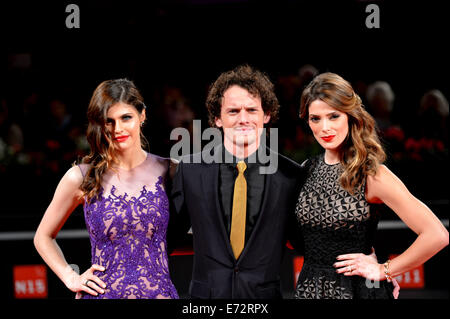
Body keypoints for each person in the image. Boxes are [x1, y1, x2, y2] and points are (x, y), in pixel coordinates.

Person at [293, 72, 449, 299]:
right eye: (315, 118)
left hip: (356, 291)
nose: (324, 127)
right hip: (309, 288)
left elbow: (437, 234)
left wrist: (384, 270)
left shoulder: (371, 174)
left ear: (350, 116)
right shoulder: (306, 168)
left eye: (334, 116)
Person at [34, 79, 179, 299]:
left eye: (126, 118)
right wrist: (70, 276)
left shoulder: (170, 170)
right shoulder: (82, 177)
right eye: (108, 121)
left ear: (142, 115)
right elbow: (42, 236)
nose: (117, 129)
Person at [171, 64, 304, 298]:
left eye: (251, 110)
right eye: (233, 111)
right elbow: (166, 239)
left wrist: (366, 256)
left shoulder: (290, 176)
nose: (243, 119)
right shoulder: (190, 171)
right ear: (217, 119)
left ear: (266, 115)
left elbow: (307, 243)